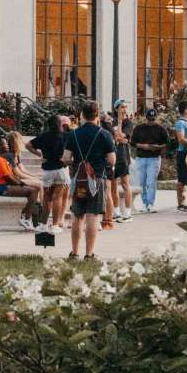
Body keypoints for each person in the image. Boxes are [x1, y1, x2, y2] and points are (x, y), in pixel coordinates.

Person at [65, 103, 117, 261]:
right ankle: (89, 254)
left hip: (79, 179)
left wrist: (75, 163)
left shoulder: (74, 134)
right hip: (97, 178)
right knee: (93, 216)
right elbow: (112, 159)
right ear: (97, 116)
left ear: (82, 115)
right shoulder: (104, 134)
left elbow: (66, 158)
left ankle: (74, 252)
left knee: (77, 215)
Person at [33, 110, 75, 230]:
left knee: (46, 198)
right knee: (58, 197)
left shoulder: (44, 136)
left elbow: (28, 145)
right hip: (61, 169)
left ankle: (43, 224)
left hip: (47, 170)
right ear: (59, 124)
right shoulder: (65, 136)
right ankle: (56, 224)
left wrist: (39, 154)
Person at [128, 105, 172, 214]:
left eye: (153, 119)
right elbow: (132, 143)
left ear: (155, 118)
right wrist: (143, 146)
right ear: (146, 118)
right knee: (141, 182)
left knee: (151, 182)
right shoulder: (139, 128)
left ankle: (151, 204)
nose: (151, 121)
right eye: (149, 119)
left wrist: (157, 147)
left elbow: (167, 143)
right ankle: (144, 203)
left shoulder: (160, 129)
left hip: (154, 158)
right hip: (141, 158)